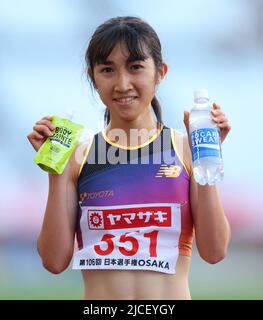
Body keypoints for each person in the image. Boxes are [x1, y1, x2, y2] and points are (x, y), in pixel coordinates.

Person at [27, 16, 231, 300]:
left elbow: (215, 250)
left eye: (135, 67)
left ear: (161, 72)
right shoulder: (79, 157)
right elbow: (53, 261)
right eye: (107, 70)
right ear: (93, 78)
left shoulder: (184, 149)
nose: (122, 84)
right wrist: (56, 170)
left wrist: (206, 158)